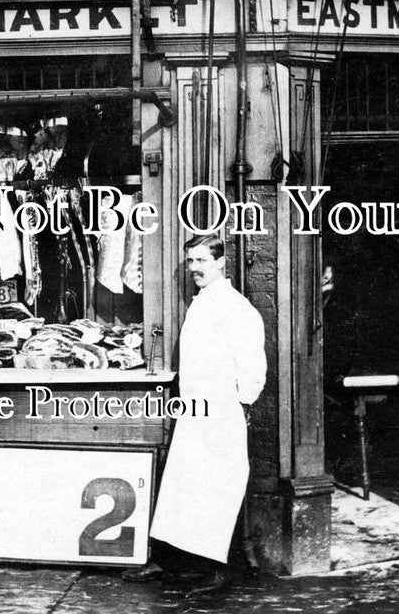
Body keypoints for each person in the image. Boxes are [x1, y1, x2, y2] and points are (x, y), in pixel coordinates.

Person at [122, 233, 267, 594]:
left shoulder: (236, 308)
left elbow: (252, 367)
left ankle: (218, 570)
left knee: (217, 488)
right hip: (194, 410)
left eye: (201, 260)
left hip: (220, 412)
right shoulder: (202, 303)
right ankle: (170, 563)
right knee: (183, 485)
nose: (194, 268)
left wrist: (238, 403)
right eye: (190, 261)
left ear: (221, 262)